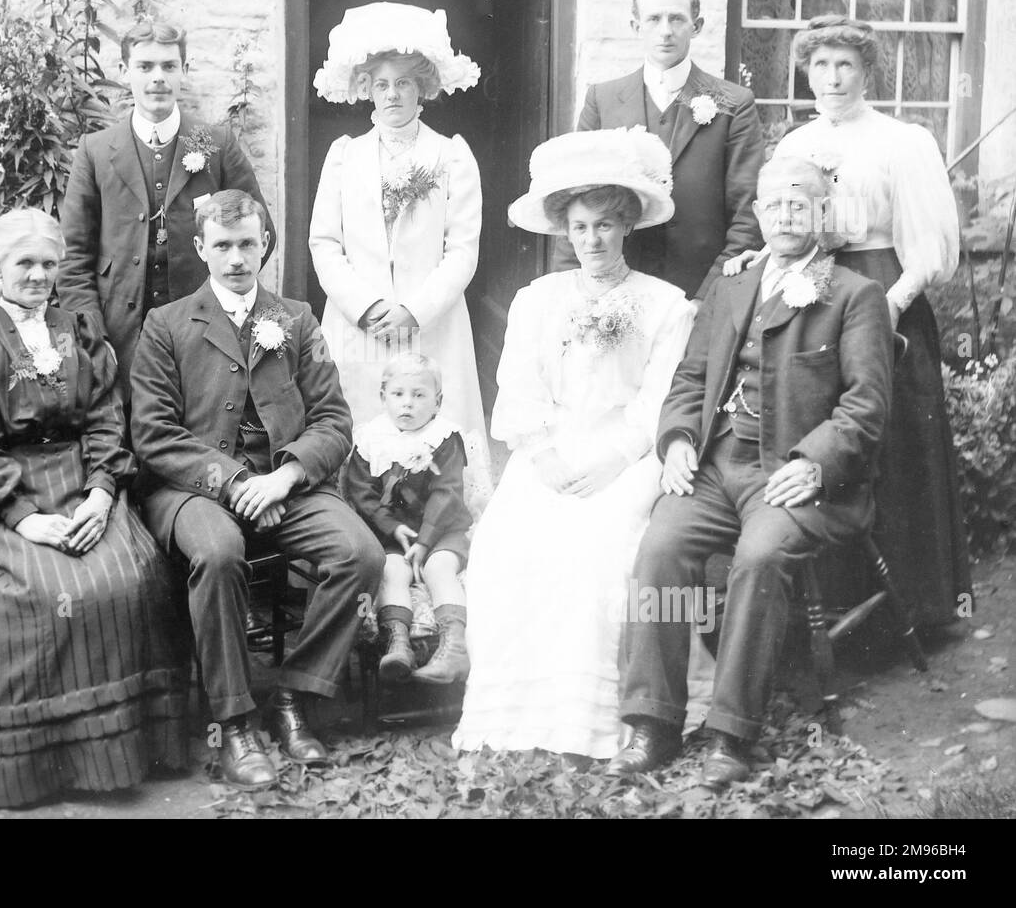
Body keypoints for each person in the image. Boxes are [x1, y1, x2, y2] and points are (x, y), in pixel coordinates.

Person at [611, 156, 894, 787]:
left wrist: (817, 464)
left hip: (791, 474)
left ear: (823, 213)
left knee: (759, 561)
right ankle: (652, 720)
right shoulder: (732, 283)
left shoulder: (854, 295)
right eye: (775, 204)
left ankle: (731, 734)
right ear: (758, 214)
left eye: (801, 202)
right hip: (717, 463)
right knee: (660, 550)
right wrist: (679, 440)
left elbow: (866, 406)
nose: (787, 213)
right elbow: (688, 379)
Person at [0, 208, 190, 809]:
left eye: (50, 263)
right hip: (8, 495)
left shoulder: (77, 328)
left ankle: (131, 750)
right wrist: (26, 518)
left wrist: (102, 492)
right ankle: (31, 765)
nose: (39, 274)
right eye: (25, 263)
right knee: (37, 595)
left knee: (132, 576)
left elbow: (104, 415)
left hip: (83, 481)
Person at [451, 128, 698, 760]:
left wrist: (616, 461)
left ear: (629, 227)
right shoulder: (539, 299)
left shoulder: (666, 305)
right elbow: (520, 387)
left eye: (607, 225)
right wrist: (546, 457)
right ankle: (519, 717)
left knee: (596, 552)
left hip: (629, 454)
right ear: (564, 230)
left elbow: (660, 401)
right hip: (552, 448)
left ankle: (594, 719)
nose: (593, 240)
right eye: (581, 227)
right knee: (507, 546)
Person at [131, 189, 383, 791]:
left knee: (360, 554)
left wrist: (284, 477)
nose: (238, 258)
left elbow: (333, 419)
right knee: (219, 554)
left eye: (248, 243)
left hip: (286, 484)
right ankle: (236, 720)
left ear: (265, 243)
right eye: (223, 246)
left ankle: (295, 697)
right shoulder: (165, 324)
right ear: (200, 249)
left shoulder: (296, 318)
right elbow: (153, 434)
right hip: (193, 489)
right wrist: (238, 482)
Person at [763, 14, 967, 627]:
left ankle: (917, 606)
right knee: (823, 432)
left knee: (892, 437)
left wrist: (890, 306)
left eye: (845, 64)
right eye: (821, 65)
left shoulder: (901, 142)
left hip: (885, 287)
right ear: (807, 73)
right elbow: (781, 225)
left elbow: (928, 247)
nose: (833, 78)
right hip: (817, 292)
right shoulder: (793, 146)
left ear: (866, 71)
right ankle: (824, 603)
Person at [309, 2, 492, 507]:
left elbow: (463, 248)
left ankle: (438, 529)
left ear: (422, 89)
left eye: (404, 84)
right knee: (359, 423)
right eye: (383, 83)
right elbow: (323, 242)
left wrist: (413, 309)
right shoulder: (345, 155)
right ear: (366, 88)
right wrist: (367, 308)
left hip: (430, 323)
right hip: (357, 325)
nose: (393, 94)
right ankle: (359, 526)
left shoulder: (451, 154)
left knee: (432, 431)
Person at [57, 20, 274, 393]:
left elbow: (259, 237)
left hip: (204, 333)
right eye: (145, 67)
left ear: (183, 72)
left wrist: (222, 310)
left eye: (169, 66)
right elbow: (74, 258)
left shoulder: (217, 146)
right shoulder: (95, 151)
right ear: (125, 72)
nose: (158, 77)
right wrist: (93, 335)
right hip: (118, 337)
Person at [550, 0, 764, 301]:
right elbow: (576, 200)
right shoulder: (603, 100)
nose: (665, 30)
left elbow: (748, 214)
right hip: (615, 292)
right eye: (653, 19)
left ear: (697, 25)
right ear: (636, 27)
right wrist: (572, 290)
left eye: (677, 18)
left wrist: (709, 298)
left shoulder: (734, 104)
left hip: (701, 288)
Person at [343, 352, 473, 685]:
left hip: (441, 530)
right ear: (382, 397)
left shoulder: (445, 437)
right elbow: (361, 493)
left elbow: (447, 493)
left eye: (419, 395)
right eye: (398, 394)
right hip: (391, 534)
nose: (408, 404)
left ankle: (454, 647)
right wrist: (392, 527)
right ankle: (398, 643)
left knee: (438, 568)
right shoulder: (370, 438)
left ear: (438, 401)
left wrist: (426, 541)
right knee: (391, 572)